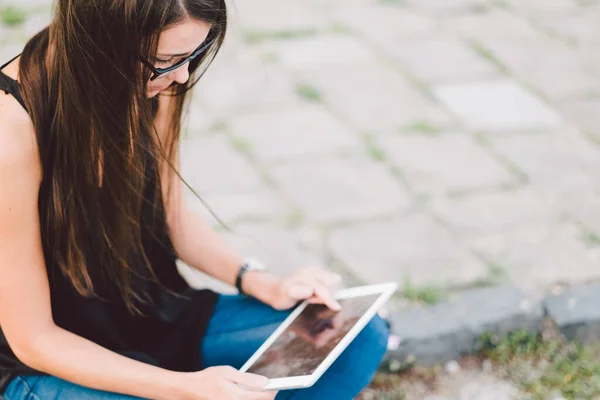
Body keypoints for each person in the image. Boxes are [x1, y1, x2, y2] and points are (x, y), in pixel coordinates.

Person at [0, 0, 389, 399]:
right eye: (166, 60)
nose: (182, 76)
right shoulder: (11, 127)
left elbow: (169, 216)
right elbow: (34, 339)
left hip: (149, 314)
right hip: (44, 364)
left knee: (354, 337)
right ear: (101, 41)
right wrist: (183, 388)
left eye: (193, 55)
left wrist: (263, 283)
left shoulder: (155, 81)